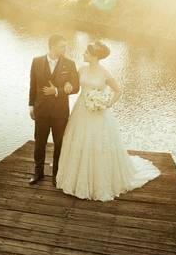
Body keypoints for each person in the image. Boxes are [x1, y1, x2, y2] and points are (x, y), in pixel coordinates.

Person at [55, 40, 160, 201]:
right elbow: (73, 84)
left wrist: (107, 103)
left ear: (95, 56)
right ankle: (75, 177)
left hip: (98, 114)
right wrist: (67, 84)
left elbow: (118, 90)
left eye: (86, 53)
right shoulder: (81, 69)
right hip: (81, 111)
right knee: (79, 140)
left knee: (97, 143)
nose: (83, 54)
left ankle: (98, 181)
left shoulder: (104, 73)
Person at [28, 34, 80, 184]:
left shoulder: (70, 64)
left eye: (65, 46)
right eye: (62, 46)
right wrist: (31, 105)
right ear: (52, 46)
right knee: (39, 143)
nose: (65, 49)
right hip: (41, 110)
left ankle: (57, 176)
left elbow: (76, 87)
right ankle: (38, 173)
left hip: (60, 113)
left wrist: (57, 91)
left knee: (59, 144)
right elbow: (33, 85)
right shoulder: (36, 61)